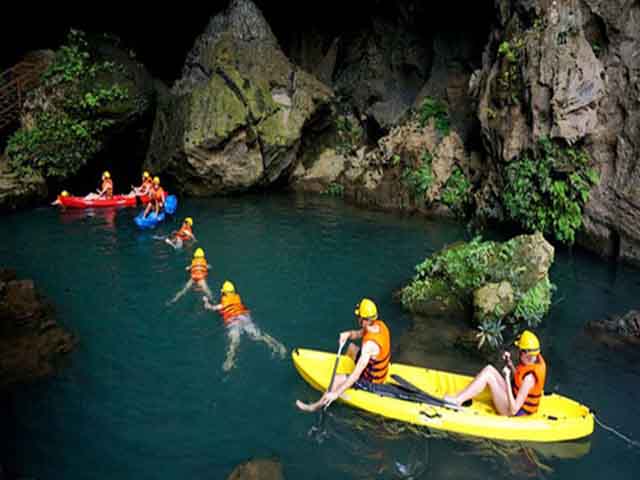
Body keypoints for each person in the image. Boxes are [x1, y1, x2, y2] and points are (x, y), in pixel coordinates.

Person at [296, 298, 391, 412]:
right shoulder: (379, 325)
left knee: (336, 378)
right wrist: (348, 334)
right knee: (351, 348)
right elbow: (359, 333)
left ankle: (314, 407)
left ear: (365, 320)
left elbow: (356, 374)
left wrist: (336, 393)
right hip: (375, 367)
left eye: (359, 317)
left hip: (372, 380)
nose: (358, 319)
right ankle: (343, 372)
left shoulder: (369, 346)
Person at [444, 330, 546, 416]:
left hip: (512, 411)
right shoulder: (532, 361)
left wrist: (506, 378)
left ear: (525, 353)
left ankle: (457, 401)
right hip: (514, 398)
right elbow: (519, 381)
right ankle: (460, 397)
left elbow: (514, 409)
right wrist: (510, 364)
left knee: (489, 377)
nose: (518, 353)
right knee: (489, 369)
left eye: (520, 350)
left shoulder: (530, 378)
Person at [203, 280, 286, 371]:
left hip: (233, 321)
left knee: (234, 342)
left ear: (224, 292)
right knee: (258, 336)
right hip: (244, 318)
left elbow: (210, 308)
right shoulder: (237, 298)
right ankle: (278, 346)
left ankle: (229, 361)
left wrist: (206, 301)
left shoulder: (223, 304)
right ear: (233, 291)